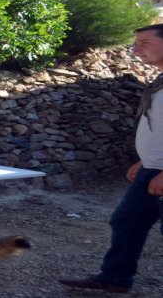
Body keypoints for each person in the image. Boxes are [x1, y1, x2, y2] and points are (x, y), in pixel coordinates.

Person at [59, 23, 163, 294]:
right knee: (127, 222)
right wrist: (146, 159)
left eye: (144, 42)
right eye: (135, 42)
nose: (136, 49)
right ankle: (114, 278)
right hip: (152, 168)